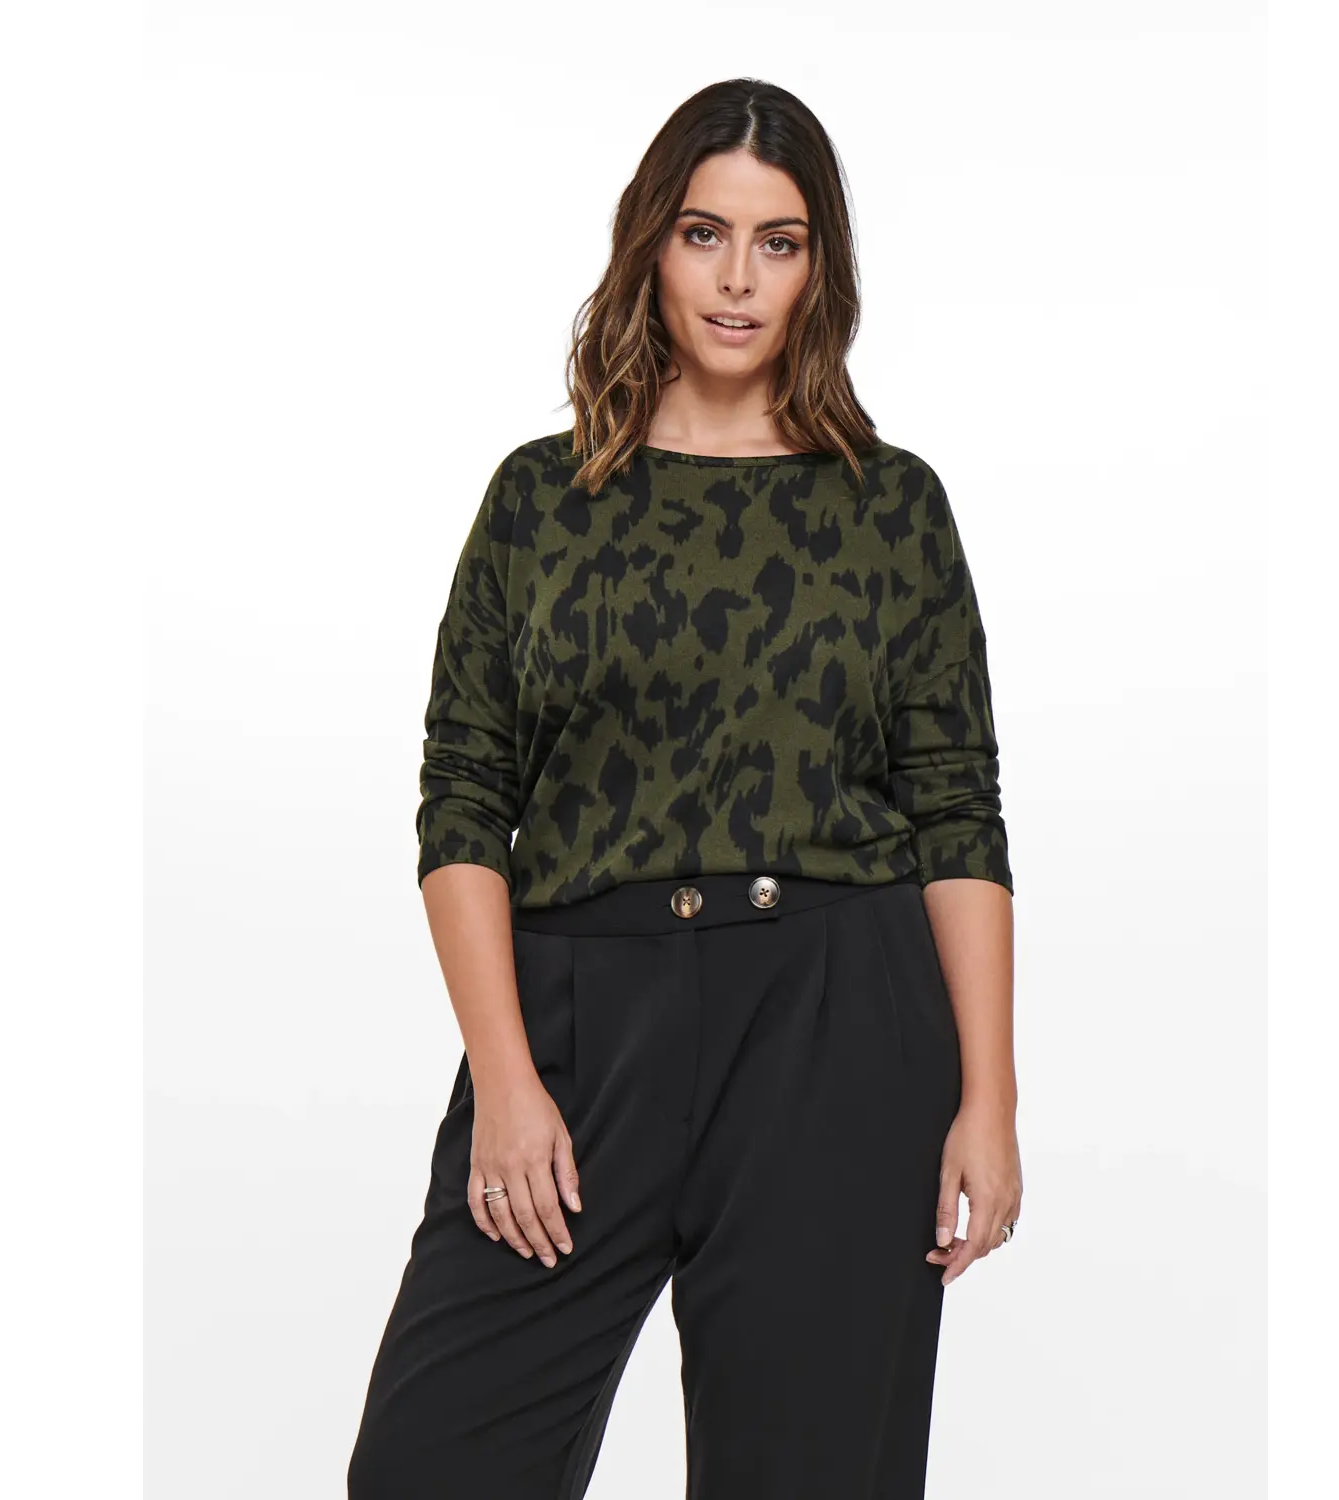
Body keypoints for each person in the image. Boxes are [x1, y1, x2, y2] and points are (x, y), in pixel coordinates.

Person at [348, 76, 1022, 1500]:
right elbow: (463, 798)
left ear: (820, 267)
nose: (736, 279)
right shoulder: (541, 500)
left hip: (836, 1023)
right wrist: (508, 1082)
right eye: (705, 233)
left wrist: (990, 1097)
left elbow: (957, 808)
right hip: (578, 1025)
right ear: (650, 242)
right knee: (428, 1467)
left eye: (779, 242)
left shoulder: (891, 507)